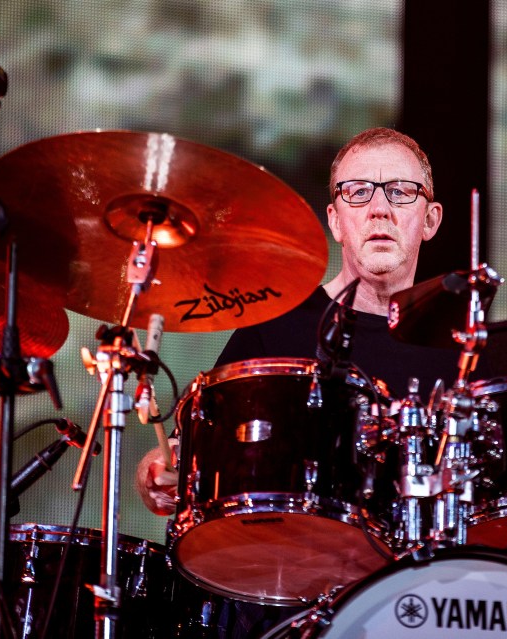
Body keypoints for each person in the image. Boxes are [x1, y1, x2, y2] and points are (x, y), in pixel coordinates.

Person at [137, 127, 467, 636]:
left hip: (414, 602)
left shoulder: (462, 351)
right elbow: (189, 448)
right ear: (335, 220)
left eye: (401, 191)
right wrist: (159, 470)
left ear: (431, 219)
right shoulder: (278, 322)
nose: (379, 208)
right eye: (358, 191)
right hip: (279, 596)